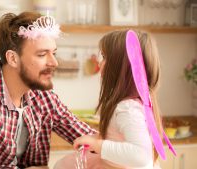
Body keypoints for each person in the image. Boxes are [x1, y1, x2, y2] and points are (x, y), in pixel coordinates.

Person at [0, 11, 96, 169]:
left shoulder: (41, 95)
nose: (54, 62)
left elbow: (90, 139)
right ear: (13, 59)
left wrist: (115, 147)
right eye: (42, 54)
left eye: (53, 53)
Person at [54, 29, 164, 169]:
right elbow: (122, 139)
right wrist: (100, 138)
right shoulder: (137, 103)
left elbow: (141, 155)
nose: (100, 63)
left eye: (105, 57)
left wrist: (98, 145)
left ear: (121, 67)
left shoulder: (127, 109)